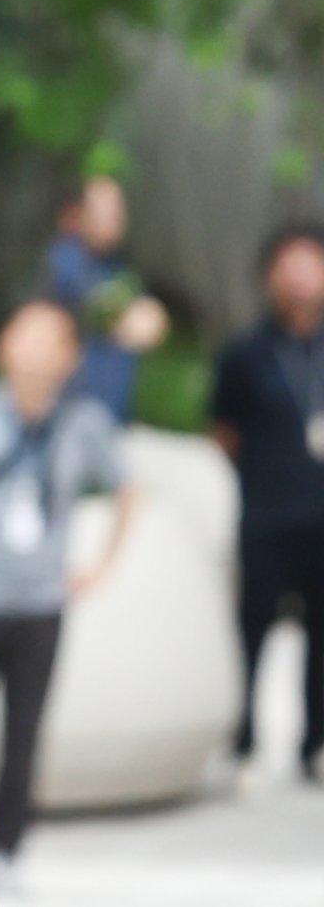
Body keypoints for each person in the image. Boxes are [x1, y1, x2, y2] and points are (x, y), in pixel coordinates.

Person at [0, 299, 138, 885]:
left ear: (72, 357)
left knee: (25, 730)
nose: (38, 351)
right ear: (5, 345)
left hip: (42, 602)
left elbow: (128, 488)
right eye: (28, 336)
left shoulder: (84, 422)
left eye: (53, 340)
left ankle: (10, 847)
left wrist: (101, 566)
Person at [210, 223, 324, 784]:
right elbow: (223, 433)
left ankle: (314, 744)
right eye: (290, 264)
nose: (301, 276)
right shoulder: (246, 352)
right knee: (252, 629)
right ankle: (245, 742)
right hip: (266, 514)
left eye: (312, 262)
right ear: (270, 275)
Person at [44, 175, 169, 422]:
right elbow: (65, 314)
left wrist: (153, 320)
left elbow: (148, 322)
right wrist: (121, 318)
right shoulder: (63, 261)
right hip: (68, 413)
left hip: (114, 414)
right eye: (102, 212)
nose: (112, 220)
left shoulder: (122, 266)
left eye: (116, 212)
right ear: (81, 214)